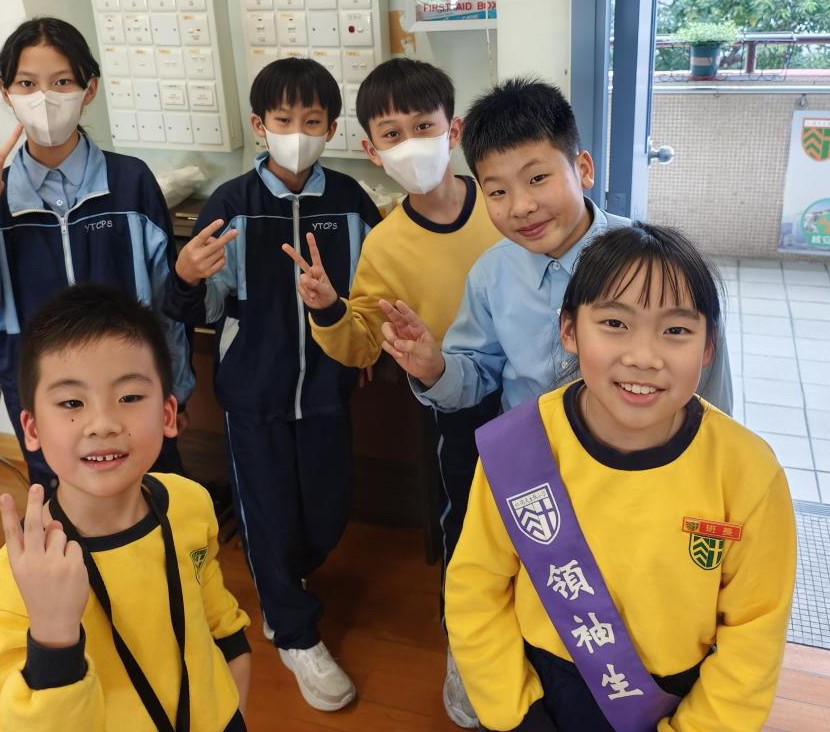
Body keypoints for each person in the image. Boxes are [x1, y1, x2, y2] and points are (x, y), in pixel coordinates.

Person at [446, 225, 796, 731]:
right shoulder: (518, 447)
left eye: (676, 331)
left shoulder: (747, 472)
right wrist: (514, 711)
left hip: (676, 701)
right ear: (569, 330)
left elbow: (754, 631)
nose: (643, 357)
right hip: (539, 690)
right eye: (614, 322)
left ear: (708, 347)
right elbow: (475, 585)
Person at [283, 57, 502, 727]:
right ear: (372, 149)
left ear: (452, 130)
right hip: (457, 408)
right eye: (392, 134)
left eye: (423, 126)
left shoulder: (502, 205)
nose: (410, 144)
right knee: (469, 538)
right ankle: (467, 655)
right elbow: (361, 343)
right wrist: (327, 307)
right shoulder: (384, 243)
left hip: (538, 396)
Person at [164, 57, 381, 713]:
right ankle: (293, 631)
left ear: (332, 129)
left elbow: (373, 291)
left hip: (327, 391)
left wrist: (362, 338)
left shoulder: (350, 201)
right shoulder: (233, 204)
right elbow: (201, 308)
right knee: (266, 515)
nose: (297, 133)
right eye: (283, 120)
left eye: (312, 121)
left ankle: (285, 579)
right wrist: (187, 276)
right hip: (254, 393)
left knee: (327, 510)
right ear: (260, 126)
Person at [0, 17, 192, 490]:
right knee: (69, 516)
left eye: (61, 82)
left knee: (158, 502)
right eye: (28, 84)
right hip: (47, 403)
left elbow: (167, 302)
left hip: (134, 390)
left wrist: (177, 390)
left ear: (89, 89)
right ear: (6, 93)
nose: (44, 98)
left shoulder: (130, 182)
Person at [0, 284, 250, 731]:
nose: (102, 424)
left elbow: (213, 607)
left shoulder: (189, 502)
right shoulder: (13, 584)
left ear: (168, 414)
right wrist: (53, 637)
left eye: (130, 397)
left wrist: (233, 698)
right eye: (71, 403)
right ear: (32, 428)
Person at [379, 76, 732, 424]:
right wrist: (435, 368)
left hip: (635, 447)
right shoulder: (491, 275)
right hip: (531, 447)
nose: (521, 207)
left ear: (583, 170)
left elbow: (709, 391)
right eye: (498, 192)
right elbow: (475, 374)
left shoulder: (660, 266)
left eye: (537, 179)